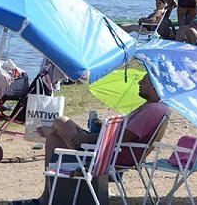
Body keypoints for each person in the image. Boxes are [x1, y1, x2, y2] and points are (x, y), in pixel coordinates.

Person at [33, 75, 170, 205]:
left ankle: (53, 133)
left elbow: (123, 137)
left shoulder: (151, 110)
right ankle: (47, 196)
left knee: (61, 121)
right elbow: (125, 132)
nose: (139, 83)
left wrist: (88, 138)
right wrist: (103, 126)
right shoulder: (159, 107)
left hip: (107, 156)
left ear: (154, 88)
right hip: (112, 151)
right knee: (53, 139)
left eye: (144, 82)